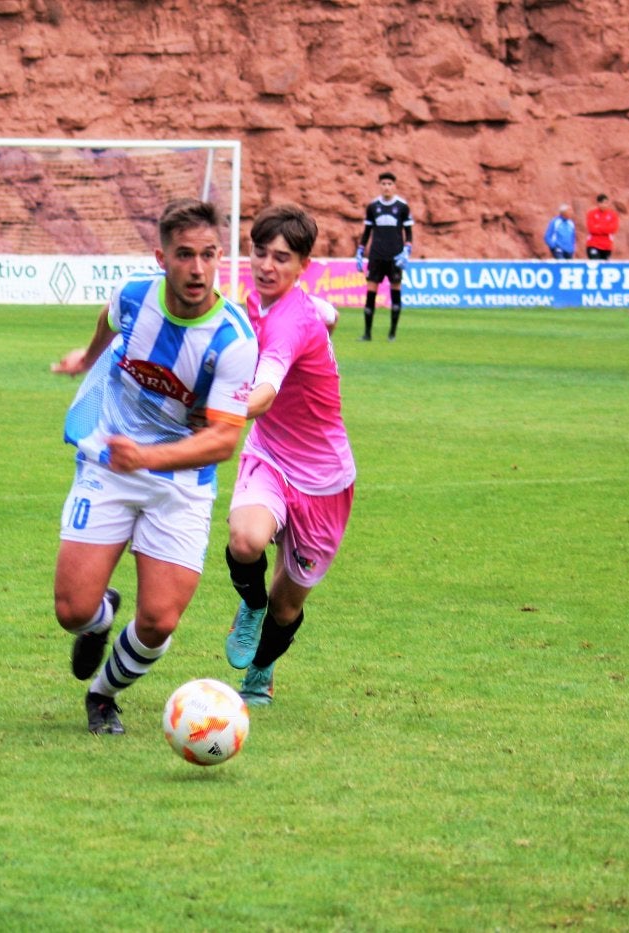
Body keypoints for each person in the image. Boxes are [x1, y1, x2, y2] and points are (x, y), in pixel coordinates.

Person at [50, 198, 258, 735]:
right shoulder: (133, 295)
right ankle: (97, 622)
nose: (197, 268)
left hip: (182, 484)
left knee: (159, 620)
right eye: (184, 254)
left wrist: (149, 456)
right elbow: (107, 318)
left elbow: (221, 442)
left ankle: (102, 696)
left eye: (209, 255)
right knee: (72, 611)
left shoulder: (233, 340)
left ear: (220, 257)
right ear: (160, 257)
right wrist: (90, 356)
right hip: (109, 465)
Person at [223, 204, 356, 706]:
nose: (266, 266)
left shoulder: (288, 323)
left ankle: (261, 669)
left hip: (325, 480)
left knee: (288, 605)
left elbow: (266, 392)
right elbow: (328, 313)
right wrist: (326, 318)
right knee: (246, 540)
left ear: (303, 265)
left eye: (282, 258)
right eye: (260, 253)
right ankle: (249, 605)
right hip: (270, 456)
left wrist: (218, 413)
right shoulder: (263, 304)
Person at [355, 171, 413, 342]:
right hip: (377, 256)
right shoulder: (373, 207)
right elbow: (367, 232)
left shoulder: (402, 207)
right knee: (370, 292)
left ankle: (392, 333)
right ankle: (367, 333)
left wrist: (407, 250)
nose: (386, 187)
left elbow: (409, 233)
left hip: (395, 257)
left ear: (394, 186)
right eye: (383, 184)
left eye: (389, 184)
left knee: (395, 292)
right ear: (379, 185)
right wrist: (360, 250)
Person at [584, 193, 620, 259]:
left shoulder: (613, 215)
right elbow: (591, 229)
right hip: (593, 244)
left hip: (607, 246)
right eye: (602, 203)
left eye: (606, 203)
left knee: (604, 266)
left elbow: (613, 229)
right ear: (598, 204)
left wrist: (599, 227)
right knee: (595, 263)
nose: (604, 205)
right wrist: (605, 228)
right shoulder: (591, 214)